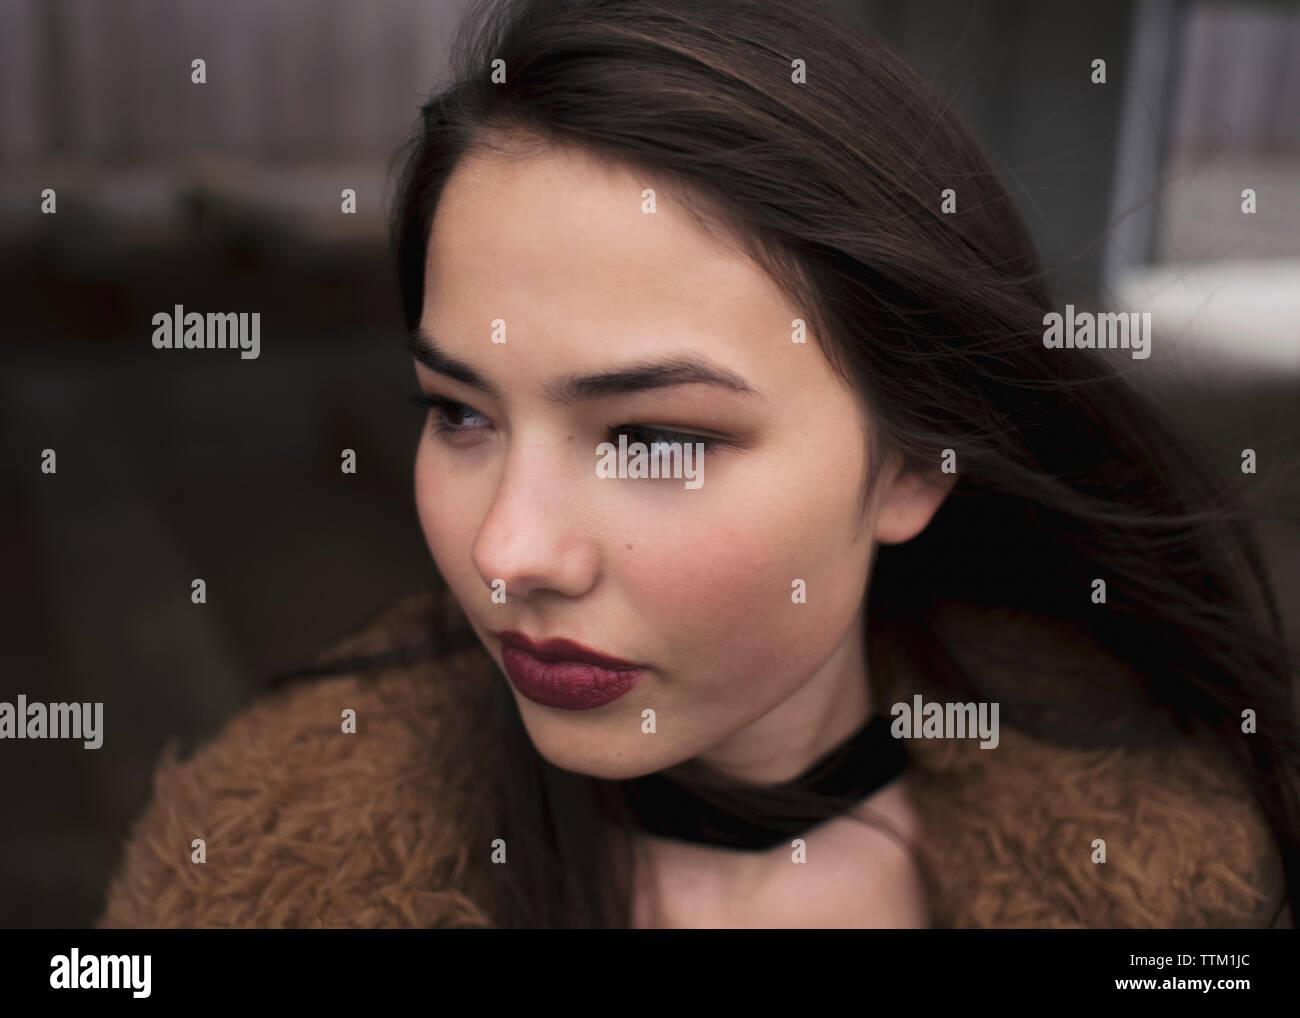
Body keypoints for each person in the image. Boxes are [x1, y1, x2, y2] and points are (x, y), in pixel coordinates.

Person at [98, 0, 1297, 929]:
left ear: (916, 460)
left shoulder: (1174, 874)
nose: (507, 551)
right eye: (461, 413)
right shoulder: (257, 878)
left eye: (654, 437)